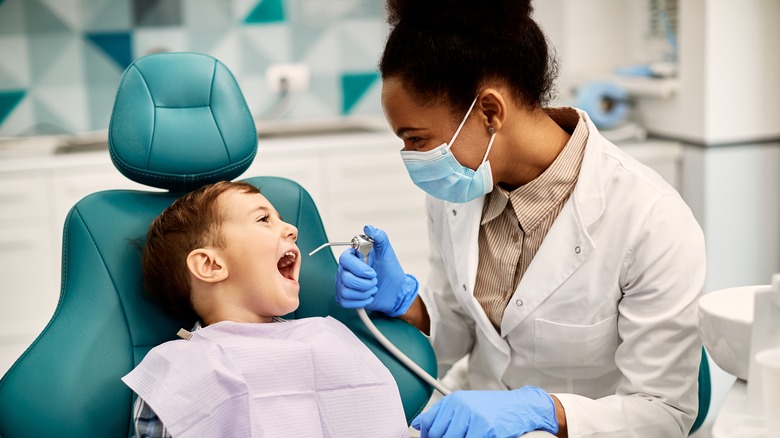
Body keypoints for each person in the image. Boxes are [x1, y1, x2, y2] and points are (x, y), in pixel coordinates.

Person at [334, 1, 706, 437]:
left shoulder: (651, 220)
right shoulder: (460, 188)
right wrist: (405, 304)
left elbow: (663, 413)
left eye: (418, 139)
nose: (413, 159)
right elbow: (458, 333)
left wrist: (545, 410)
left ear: (490, 112)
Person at [122, 181, 409, 438]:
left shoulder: (326, 337)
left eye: (281, 219)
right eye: (263, 219)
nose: (292, 230)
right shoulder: (181, 373)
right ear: (210, 265)